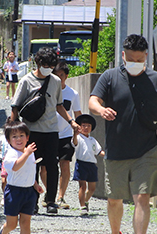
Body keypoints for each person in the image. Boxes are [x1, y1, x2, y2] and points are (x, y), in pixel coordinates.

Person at [89, 34, 157, 234]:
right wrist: (100, 110)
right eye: (131, 58)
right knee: (114, 199)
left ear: (146, 56)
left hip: (147, 151)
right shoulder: (110, 77)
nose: (135, 62)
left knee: (142, 197)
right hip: (116, 150)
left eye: (140, 58)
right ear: (123, 55)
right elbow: (93, 100)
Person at [10, 47, 79, 215]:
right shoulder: (26, 81)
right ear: (38, 63)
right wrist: (11, 131)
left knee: (52, 166)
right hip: (31, 131)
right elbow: (15, 106)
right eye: (45, 65)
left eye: (51, 65)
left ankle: (51, 201)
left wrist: (71, 121)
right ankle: (32, 201)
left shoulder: (55, 81)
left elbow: (59, 105)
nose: (48, 68)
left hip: (51, 131)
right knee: (32, 166)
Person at [0, 120, 44, 234]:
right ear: (9, 140)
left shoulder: (29, 152)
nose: (18, 139)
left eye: (22, 135)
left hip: (29, 192)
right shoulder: (11, 154)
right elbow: (16, 167)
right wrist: (27, 153)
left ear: (27, 137)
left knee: (26, 223)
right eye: (14, 137)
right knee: (12, 224)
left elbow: (29, 170)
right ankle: (4, 232)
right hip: (14, 192)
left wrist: (36, 185)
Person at [53, 61, 81, 209]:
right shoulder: (48, 91)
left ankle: (61, 196)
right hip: (49, 133)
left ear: (66, 76)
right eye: (56, 75)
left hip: (66, 135)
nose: (59, 78)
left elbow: (78, 115)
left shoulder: (72, 94)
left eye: (61, 76)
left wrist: (79, 131)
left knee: (65, 165)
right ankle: (48, 194)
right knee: (46, 167)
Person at [71, 114, 104, 216]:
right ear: (79, 127)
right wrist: (75, 134)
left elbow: (99, 151)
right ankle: (82, 207)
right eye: (83, 125)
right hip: (81, 164)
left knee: (92, 188)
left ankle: (85, 200)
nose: (86, 128)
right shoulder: (78, 138)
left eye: (88, 126)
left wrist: (108, 156)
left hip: (92, 165)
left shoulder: (93, 140)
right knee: (82, 186)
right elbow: (74, 142)